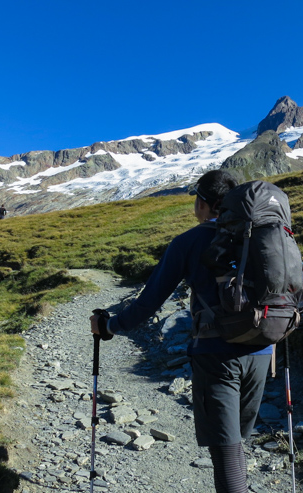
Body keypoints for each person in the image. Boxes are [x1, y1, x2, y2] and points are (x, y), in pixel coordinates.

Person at [90, 170, 272, 493]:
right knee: (236, 444)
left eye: (197, 201)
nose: (195, 208)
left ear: (206, 205)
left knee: (225, 451)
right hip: (262, 351)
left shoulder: (189, 242)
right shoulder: (260, 235)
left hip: (218, 357)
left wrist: (109, 326)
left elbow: (148, 304)